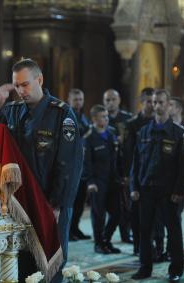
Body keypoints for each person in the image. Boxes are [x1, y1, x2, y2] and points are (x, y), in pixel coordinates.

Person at [0, 58, 83, 283]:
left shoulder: (61, 114)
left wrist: (57, 203)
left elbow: (69, 164)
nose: (20, 91)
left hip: (49, 201)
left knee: (50, 263)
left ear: (39, 79)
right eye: (16, 86)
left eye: (25, 84)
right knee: (21, 263)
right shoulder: (12, 111)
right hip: (19, 203)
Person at [130, 89, 184, 282]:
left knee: (174, 231)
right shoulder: (143, 132)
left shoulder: (178, 133)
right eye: (154, 102)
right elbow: (136, 163)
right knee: (144, 231)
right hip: (146, 189)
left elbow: (183, 165)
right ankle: (145, 268)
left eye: (161, 102)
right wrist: (134, 187)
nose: (157, 106)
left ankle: (176, 270)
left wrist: (179, 191)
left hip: (168, 192)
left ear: (168, 105)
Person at [83, 105, 122, 254]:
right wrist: (90, 181)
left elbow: (118, 157)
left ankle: (106, 240)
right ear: (94, 119)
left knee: (117, 213)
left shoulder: (112, 133)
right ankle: (99, 244)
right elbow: (86, 163)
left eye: (107, 116)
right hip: (97, 182)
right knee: (99, 215)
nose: (107, 119)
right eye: (103, 116)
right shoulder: (88, 138)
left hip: (113, 180)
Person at [125, 87, 155, 255]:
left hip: (153, 176)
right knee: (136, 213)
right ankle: (138, 246)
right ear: (142, 102)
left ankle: (154, 246)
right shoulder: (132, 124)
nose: (152, 105)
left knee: (154, 216)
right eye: (149, 101)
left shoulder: (157, 123)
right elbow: (129, 152)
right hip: (137, 175)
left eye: (154, 101)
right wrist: (130, 178)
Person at [103, 88, 133, 243]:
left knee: (126, 203)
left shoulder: (127, 119)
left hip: (124, 165)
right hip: (108, 169)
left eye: (113, 99)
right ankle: (104, 236)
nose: (110, 103)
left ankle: (125, 234)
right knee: (112, 205)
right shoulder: (101, 119)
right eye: (107, 100)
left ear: (119, 100)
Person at [68, 88, 91, 241]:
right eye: (75, 99)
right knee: (72, 201)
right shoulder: (67, 116)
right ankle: (68, 230)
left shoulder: (84, 117)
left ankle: (76, 227)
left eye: (80, 99)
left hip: (83, 166)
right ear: (69, 100)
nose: (78, 102)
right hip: (71, 166)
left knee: (81, 201)